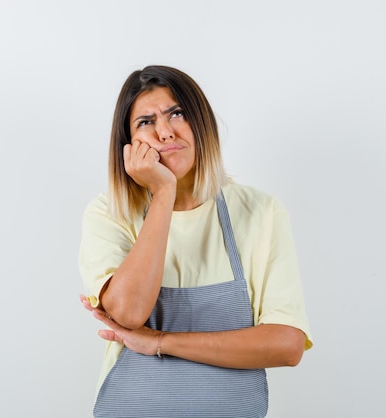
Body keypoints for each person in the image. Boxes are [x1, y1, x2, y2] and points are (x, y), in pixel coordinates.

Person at [78, 65, 313, 418]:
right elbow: (128, 313)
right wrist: (163, 193)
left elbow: (287, 345)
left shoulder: (260, 212)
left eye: (177, 114)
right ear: (128, 145)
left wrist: (159, 342)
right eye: (146, 122)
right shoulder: (110, 213)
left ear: (201, 121)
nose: (165, 132)